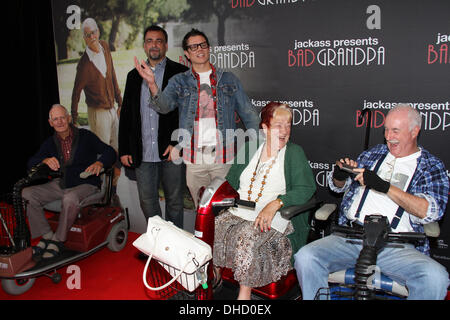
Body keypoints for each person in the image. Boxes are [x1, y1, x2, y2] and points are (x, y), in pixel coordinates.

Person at [294, 104, 449, 300]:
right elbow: (339, 187)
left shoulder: (431, 166)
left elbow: (432, 211)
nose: (388, 136)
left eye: (395, 130)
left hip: (396, 245)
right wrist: (340, 176)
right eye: (385, 129)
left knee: (435, 278)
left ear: (414, 131)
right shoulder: (373, 154)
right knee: (306, 257)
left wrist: (385, 187)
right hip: (352, 237)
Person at [133, 28, 260, 208]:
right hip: (194, 160)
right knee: (202, 211)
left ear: (208, 48)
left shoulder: (228, 79)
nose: (199, 50)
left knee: (226, 211)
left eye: (202, 45)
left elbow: (249, 114)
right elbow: (163, 107)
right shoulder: (179, 81)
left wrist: (261, 146)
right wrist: (152, 84)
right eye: (193, 47)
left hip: (223, 158)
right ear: (186, 53)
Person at [213, 102, 316, 300]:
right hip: (241, 211)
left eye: (288, 125)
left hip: (276, 217)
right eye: (279, 125)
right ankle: (215, 278)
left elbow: (306, 188)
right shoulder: (250, 148)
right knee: (214, 225)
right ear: (265, 127)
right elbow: (232, 181)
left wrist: (276, 203)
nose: (285, 130)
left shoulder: (294, 153)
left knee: (247, 237)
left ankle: (244, 294)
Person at [22, 104, 117, 261]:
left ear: (69, 118)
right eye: (55, 119)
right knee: (26, 194)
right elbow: (31, 162)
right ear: (50, 123)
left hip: (86, 183)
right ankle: (47, 235)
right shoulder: (50, 143)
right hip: (63, 184)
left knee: (69, 198)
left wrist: (100, 164)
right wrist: (44, 160)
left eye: (62, 118)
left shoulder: (86, 136)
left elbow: (110, 152)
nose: (59, 122)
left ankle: (59, 240)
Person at [118, 25, 188, 228]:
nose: (154, 45)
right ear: (144, 46)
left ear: (166, 45)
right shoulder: (133, 76)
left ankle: (175, 248)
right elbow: (127, 115)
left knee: (175, 202)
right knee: (148, 202)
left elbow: (187, 114)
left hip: (171, 151)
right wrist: (124, 149)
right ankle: (159, 242)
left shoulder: (180, 73)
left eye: (158, 41)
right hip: (143, 152)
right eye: (150, 40)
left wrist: (178, 142)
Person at [71, 18, 122, 192]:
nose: (91, 36)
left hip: (111, 109)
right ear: (84, 38)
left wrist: (120, 102)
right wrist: (74, 118)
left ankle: (112, 190)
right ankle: (99, 191)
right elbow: (76, 93)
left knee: (115, 149)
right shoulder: (84, 64)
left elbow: (112, 74)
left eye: (93, 32)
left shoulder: (105, 47)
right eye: (87, 35)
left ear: (98, 31)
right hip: (97, 112)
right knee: (102, 153)